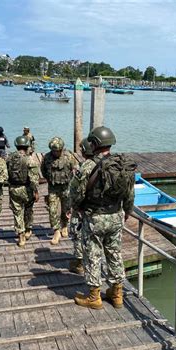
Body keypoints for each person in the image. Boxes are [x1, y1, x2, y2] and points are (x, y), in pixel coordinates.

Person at [71, 126, 136, 309]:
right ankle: (117, 294)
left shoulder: (88, 165)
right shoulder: (121, 165)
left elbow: (75, 192)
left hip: (95, 218)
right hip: (116, 216)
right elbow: (130, 195)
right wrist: (127, 213)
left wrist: (77, 209)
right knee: (114, 254)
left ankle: (94, 297)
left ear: (95, 144)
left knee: (93, 255)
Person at [40, 137, 77, 245]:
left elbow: (74, 169)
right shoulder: (47, 157)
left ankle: (64, 225)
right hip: (53, 188)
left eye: (58, 151)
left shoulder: (69, 156)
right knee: (52, 210)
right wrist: (50, 179)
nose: (56, 153)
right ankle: (56, 231)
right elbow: (43, 170)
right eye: (54, 151)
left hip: (66, 187)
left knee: (66, 208)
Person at [67, 138, 95, 274]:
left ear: (84, 151)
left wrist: (73, 207)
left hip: (83, 208)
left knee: (77, 233)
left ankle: (79, 263)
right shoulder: (100, 164)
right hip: (97, 209)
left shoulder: (83, 168)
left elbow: (75, 191)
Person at [6, 136, 39, 247]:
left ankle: (21, 235)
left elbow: (6, 173)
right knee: (28, 210)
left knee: (17, 212)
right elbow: (34, 178)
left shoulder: (10, 158)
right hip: (27, 189)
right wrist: (36, 191)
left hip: (14, 189)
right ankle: (28, 229)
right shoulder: (29, 160)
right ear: (27, 146)